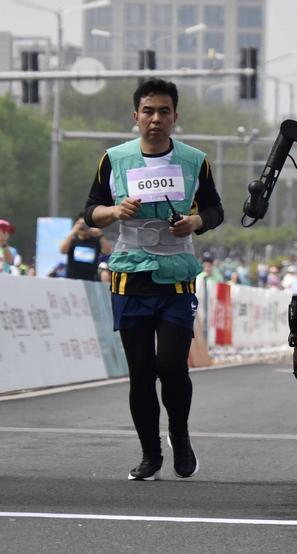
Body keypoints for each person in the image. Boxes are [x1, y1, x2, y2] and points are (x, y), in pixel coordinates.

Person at [84, 78, 224, 481]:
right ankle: (150, 453)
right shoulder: (114, 159)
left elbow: (214, 210)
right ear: (136, 117)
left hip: (176, 279)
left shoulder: (195, 161)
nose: (156, 119)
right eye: (148, 111)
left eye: (164, 112)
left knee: (171, 366)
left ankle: (179, 436)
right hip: (130, 278)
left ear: (175, 117)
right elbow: (91, 209)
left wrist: (196, 221)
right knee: (142, 372)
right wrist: (114, 212)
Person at [60, 213, 112, 281]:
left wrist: (100, 235)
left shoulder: (96, 241)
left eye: (85, 224)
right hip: (72, 280)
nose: (83, 227)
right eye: (80, 224)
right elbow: (62, 250)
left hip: (90, 280)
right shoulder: (72, 240)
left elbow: (108, 251)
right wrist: (73, 232)